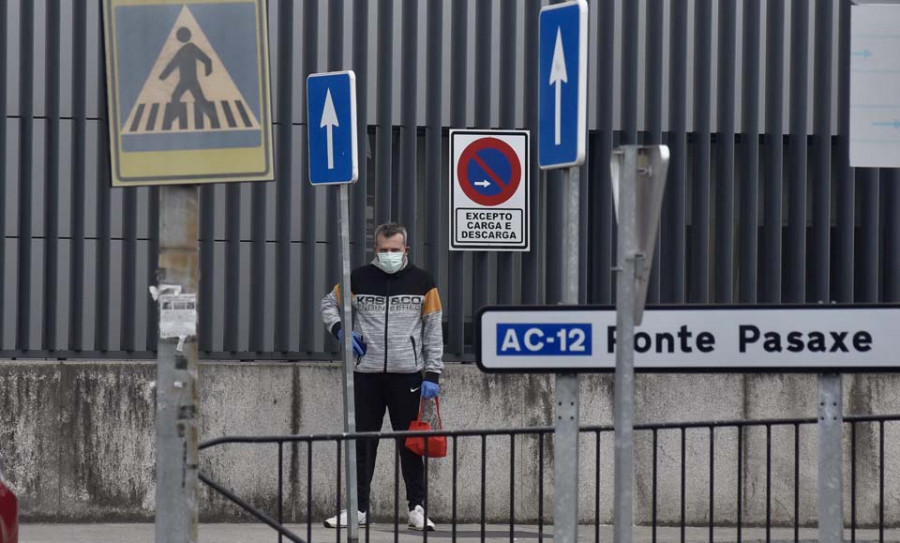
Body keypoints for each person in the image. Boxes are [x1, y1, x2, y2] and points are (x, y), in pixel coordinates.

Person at [320, 223, 443, 531]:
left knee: (410, 445)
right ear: (375, 249)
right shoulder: (358, 278)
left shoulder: (422, 281)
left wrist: (433, 373)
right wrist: (341, 331)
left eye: (395, 249)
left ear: (406, 250)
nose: (389, 255)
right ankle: (358, 509)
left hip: (409, 376)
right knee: (363, 443)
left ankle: (417, 508)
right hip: (367, 375)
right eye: (384, 249)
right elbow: (328, 305)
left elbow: (433, 329)